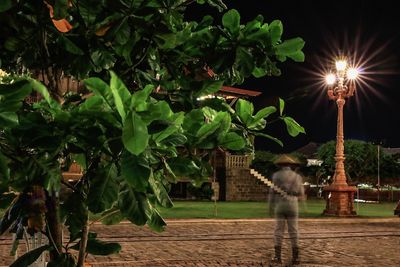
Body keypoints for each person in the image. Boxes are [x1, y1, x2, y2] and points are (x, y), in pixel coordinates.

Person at [269, 154, 305, 266]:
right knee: (294, 231)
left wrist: (270, 206)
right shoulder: (297, 177)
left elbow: (272, 193)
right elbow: (301, 193)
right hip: (293, 204)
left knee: (278, 231)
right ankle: (296, 258)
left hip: (280, 205)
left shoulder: (276, 176)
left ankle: (277, 257)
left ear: (280, 165)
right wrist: (303, 205)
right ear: (291, 165)